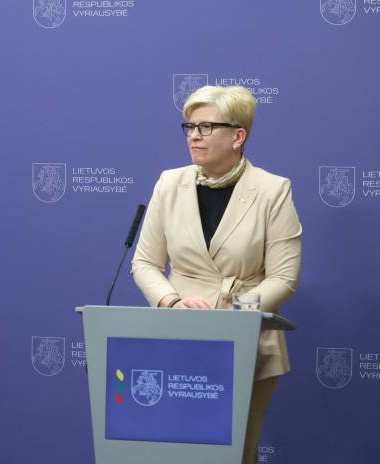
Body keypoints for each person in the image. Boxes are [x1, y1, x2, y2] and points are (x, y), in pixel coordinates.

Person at [131, 85, 301, 464]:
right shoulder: (169, 183)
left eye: (206, 127)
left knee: (235, 453)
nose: (194, 135)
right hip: (179, 334)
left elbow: (284, 277)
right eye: (190, 127)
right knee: (175, 452)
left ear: (238, 136)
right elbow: (145, 263)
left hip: (247, 339)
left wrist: (234, 315)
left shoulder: (273, 191)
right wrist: (172, 302)